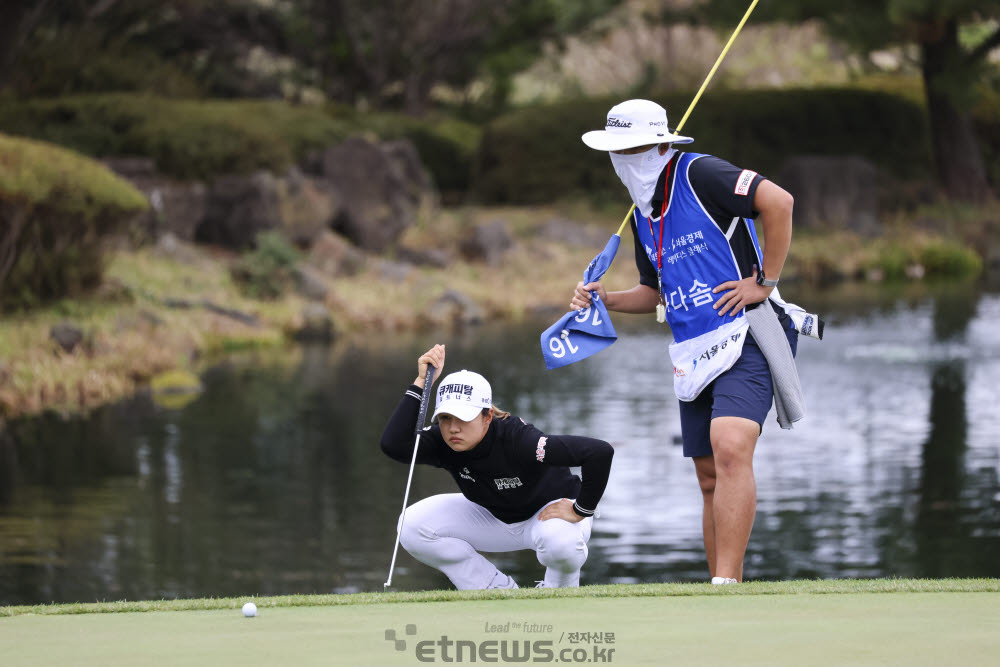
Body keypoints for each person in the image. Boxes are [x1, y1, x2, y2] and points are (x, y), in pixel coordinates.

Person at [572, 98, 812, 584]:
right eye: (616, 152)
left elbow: (779, 202)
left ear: (661, 144)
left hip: (746, 331)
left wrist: (765, 279)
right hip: (692, 349)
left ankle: (726, 586)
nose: (625, 160)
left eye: (634, 149)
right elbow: (654, 291)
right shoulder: (642, 213)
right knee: (708, 476)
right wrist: (608, 299)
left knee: (730, 445)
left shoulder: (700, 173)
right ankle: (722, 584)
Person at [380, 344, 614, 590]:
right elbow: (394, 444)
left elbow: (598, 452)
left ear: (487, 416)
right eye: (446, 417)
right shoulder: (443, 440)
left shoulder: (519, 439)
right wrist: (420, 382)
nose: (453, 428)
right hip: (491, 516)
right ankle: (495, 590)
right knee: (412, 526)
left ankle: (558, 595)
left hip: (548, 516)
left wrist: (581, 509)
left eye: (463, 418)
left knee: (561, 543)